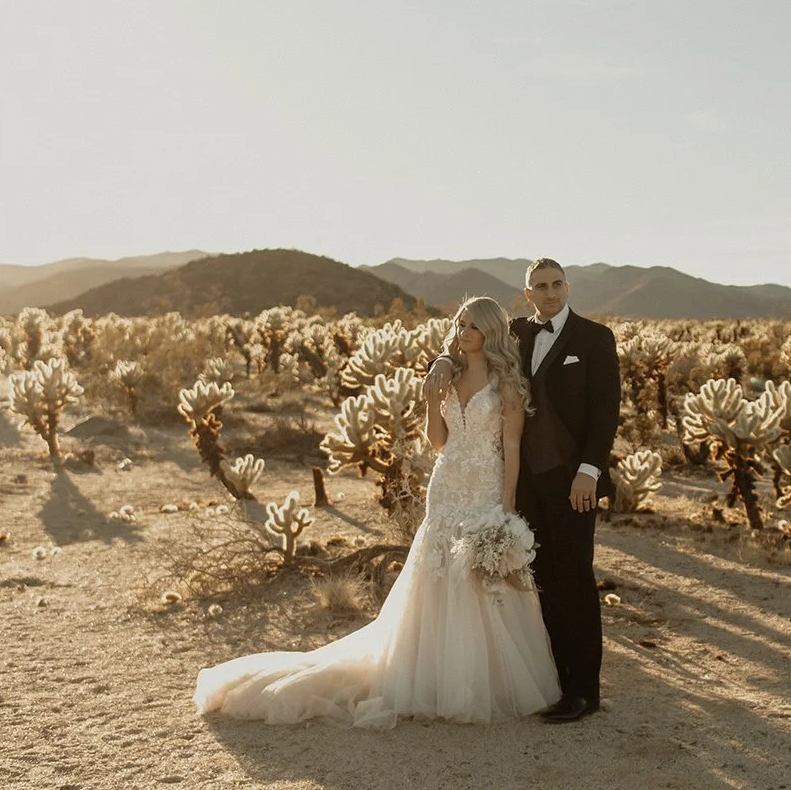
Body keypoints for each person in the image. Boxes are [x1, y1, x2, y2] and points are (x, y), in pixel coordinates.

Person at [192, 296, 560, 727]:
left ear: (491, 331)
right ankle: (431, 675)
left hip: (485, 485)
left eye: (474, 326)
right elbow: (437, 441)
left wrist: (508, 506)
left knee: (481, 574)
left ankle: (484, 680)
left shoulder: (507, 384)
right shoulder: (449, 375)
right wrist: (432, 399)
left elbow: (512, 446)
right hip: (446, 484)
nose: (464, 333)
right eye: (461, 324)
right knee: (438, 570)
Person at [427, 258, 621, 723]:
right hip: (522, 479)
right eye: (540, 286)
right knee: (540, 580)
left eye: (557, 284)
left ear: (567, 288)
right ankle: (556, 680)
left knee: (574, 578)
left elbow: (605, 411)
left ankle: (584, 692)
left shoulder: (594, 338)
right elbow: (467, 346)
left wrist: (589, 471)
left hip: (572, 480)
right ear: (528, 293)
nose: (550, 293)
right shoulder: (514, 332)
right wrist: (441, 360)